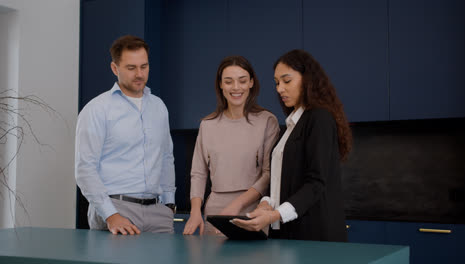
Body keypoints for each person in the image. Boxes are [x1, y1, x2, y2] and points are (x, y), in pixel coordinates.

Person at [232, 49, 352, 241]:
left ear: (308, 80)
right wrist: (266, 204)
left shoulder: (319, 118)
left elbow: (315, 182)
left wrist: (274, 215)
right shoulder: (291, 125)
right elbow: (282, 182)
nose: (279, 89)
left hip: (315, 235)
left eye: (287, 81)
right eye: (277, 82)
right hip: (287, 232)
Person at [75, 35, 176, 235]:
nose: (139, 74)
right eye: (131, 68)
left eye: (144, 66)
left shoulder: (159, 107)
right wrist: (110, 215)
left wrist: (169, 203)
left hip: (158, 213)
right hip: (116, 209)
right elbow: (85, 168)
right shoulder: (97, 109)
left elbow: (166, 157)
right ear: (115, 68)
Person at [183, 56, 280, 236]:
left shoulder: (267, 121)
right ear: (220, 85)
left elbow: (269, 174)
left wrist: (236, 206)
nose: (236, 87)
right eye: (228, 81)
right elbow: (198, 173)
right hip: (216, 212)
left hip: (253, 210)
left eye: (242, 81)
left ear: (251, 83)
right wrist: (195, 211)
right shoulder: (207, 125)